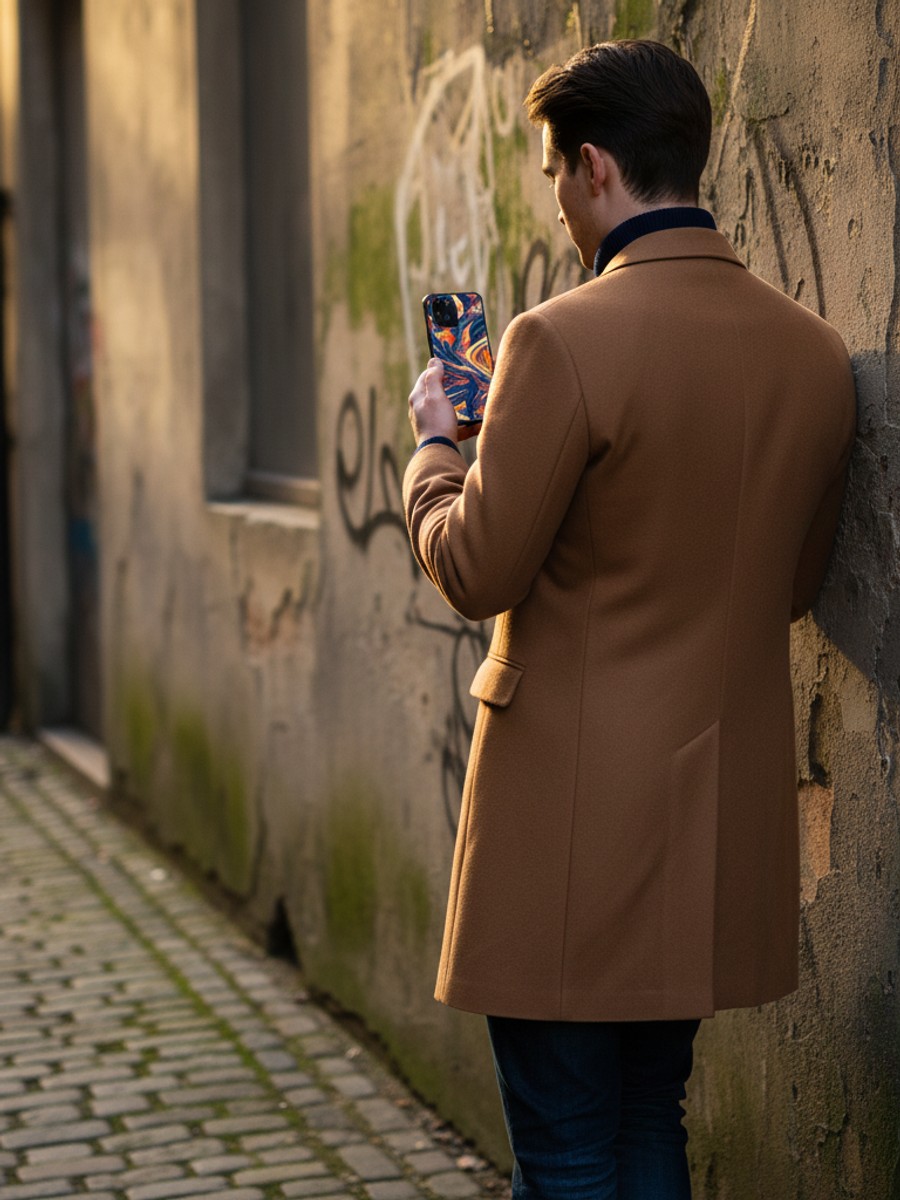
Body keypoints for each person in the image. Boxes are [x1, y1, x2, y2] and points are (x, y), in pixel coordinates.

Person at [402, 39, 856, 1200]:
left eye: (555, 174)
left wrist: (439, 451)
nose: (557, 203)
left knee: (564, 1149)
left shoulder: (559, 340)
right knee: (651, 1116)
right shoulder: (814, 355)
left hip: (566, 825)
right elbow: (793, 585)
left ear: (594, 166)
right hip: (707, 822)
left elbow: (474, 568)